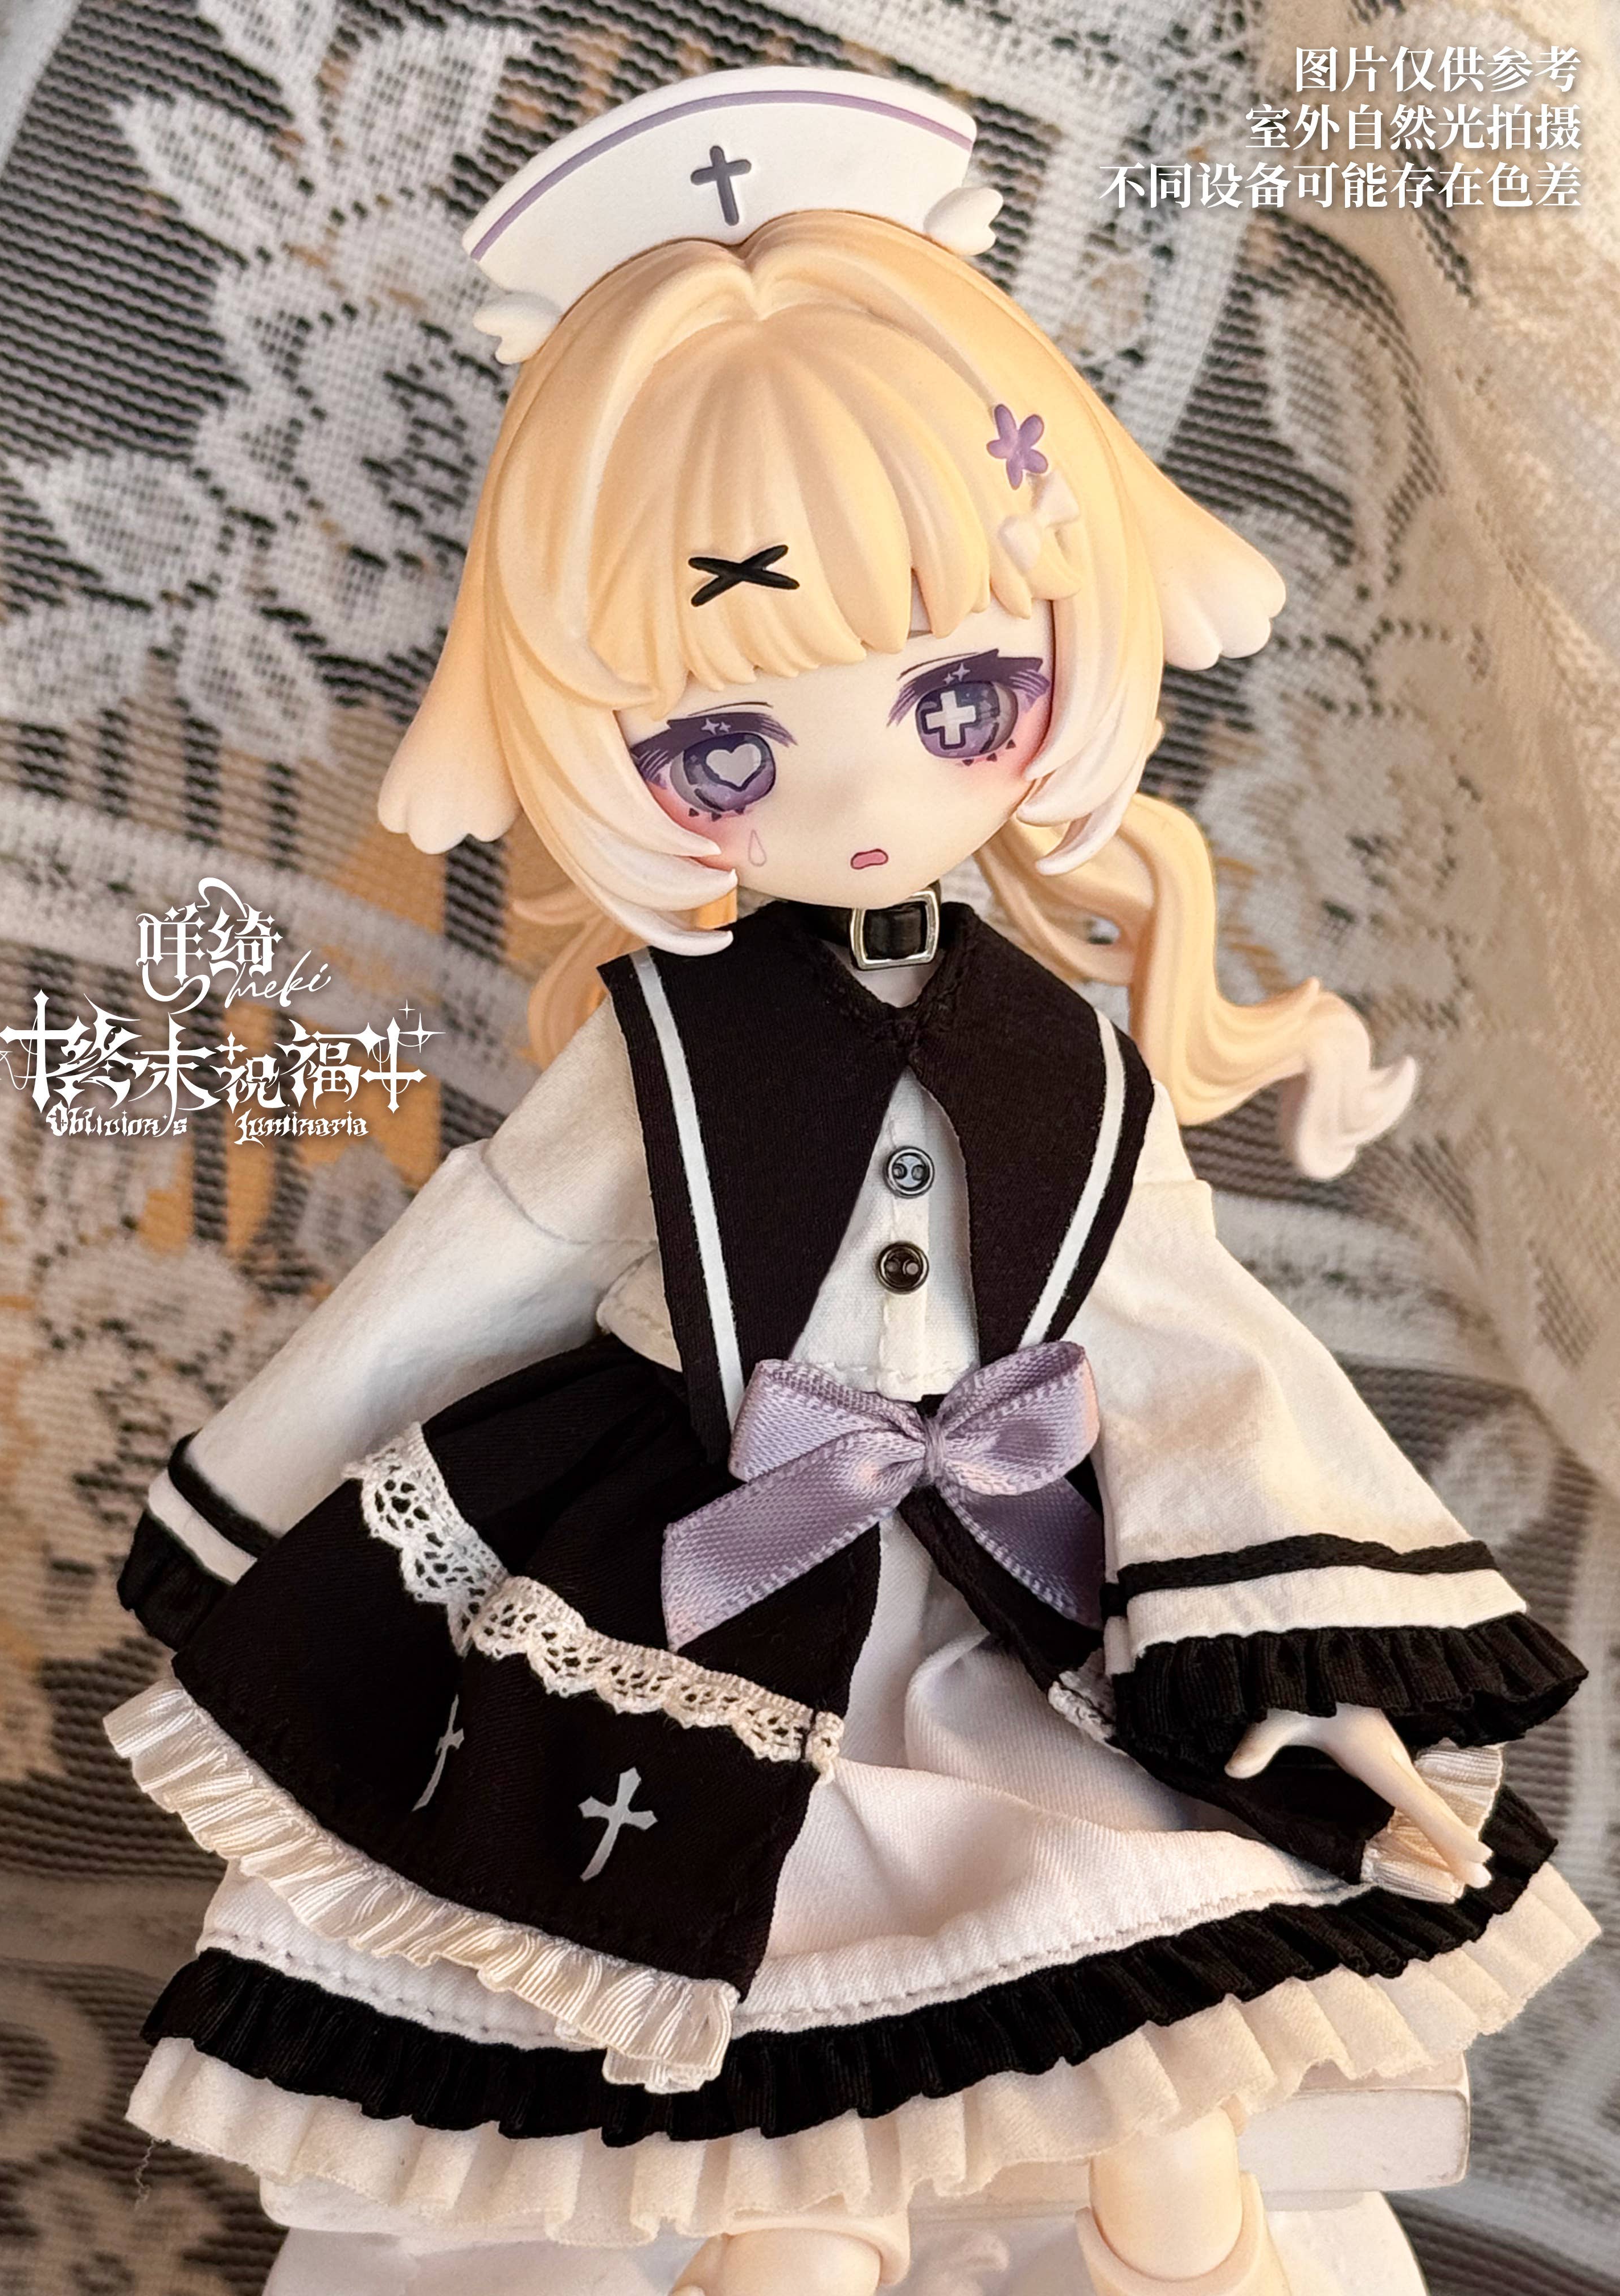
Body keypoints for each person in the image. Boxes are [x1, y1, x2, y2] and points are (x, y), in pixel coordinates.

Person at [105, 68, 1595, 2296]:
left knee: (1119, 1913)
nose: (872, 791)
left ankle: (1146, 2194)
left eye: (964, 694)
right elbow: (482, 1261)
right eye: (725, 745)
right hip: (691, 1567)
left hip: (1014, 1573)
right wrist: (248, 1504)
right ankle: (804, 2215)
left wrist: (1303, 1630)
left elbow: (1188, 1337)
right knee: (736, 1926)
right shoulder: (661, 1044)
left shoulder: (1062, 1044)